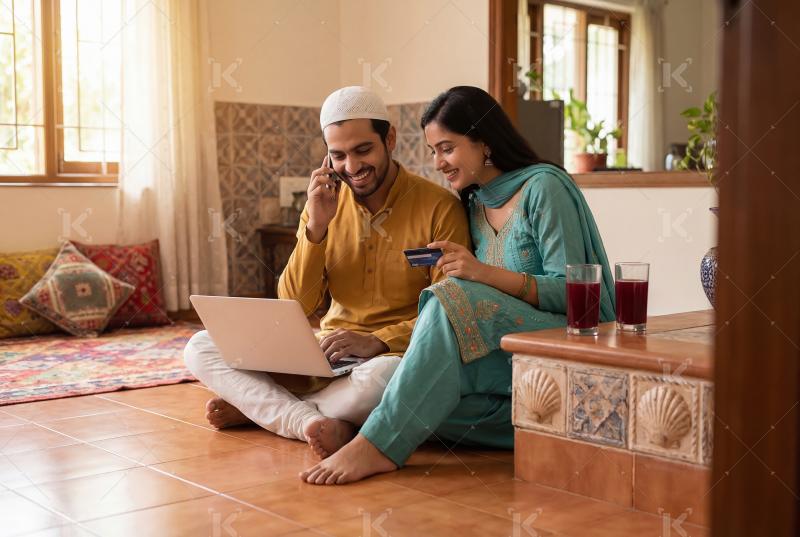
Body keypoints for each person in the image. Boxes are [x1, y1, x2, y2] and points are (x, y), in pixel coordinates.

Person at [299, 86, 616, 485]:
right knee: (427, 394)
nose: (437, 163)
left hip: (568, 337)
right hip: (509, 349)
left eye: (446, 148)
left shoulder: (544, 188)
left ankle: (377, 444)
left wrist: (482, 274)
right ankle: (540, 425)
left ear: (483, 143)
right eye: (433, 151)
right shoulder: (475, 203)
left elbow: (579, 296)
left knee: (449, 298)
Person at [184, 86, 470, 457]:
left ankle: (267, 411)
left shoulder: (439, 207)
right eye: (338, 155)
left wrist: (379, 340)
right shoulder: (324, 204)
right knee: (200, 346)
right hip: (325, 354)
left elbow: (449, 309)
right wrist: (316, 228)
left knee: (380, 383)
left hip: (388, 358)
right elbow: (295, 306)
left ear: (390, 139)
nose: (352, 168)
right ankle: (310, 419)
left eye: (363, 150)